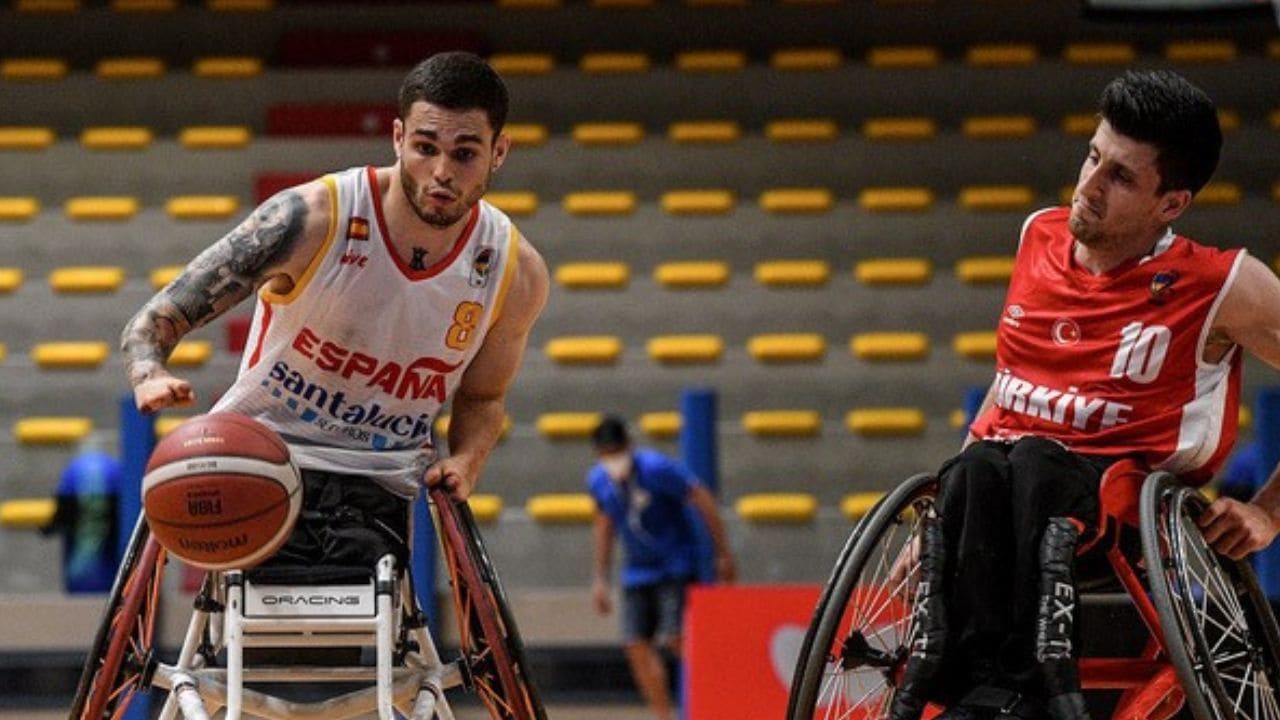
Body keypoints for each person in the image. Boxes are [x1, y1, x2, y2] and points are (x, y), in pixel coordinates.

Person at [890, 69, 1280, 720]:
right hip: (1012, 484)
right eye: (1093, 157)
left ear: (1172, 203)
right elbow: (1006, 393)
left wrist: (1269, 512)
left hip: (1125, 509)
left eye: (1121, 177)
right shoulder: (1037, 236)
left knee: (1037, 463)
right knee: (973, 468)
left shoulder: (1223, 283)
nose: (1089, 186)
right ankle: (971, 684)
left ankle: (1020, 687)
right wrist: (940, 529)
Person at [120, 52, 549, 569]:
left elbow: (483, 398)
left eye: (464, 154)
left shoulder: (513, 271)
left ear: (499, 152)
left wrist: (467, 461)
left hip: (381, 480)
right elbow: (156, 319)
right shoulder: (312, 218)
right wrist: (149, 374)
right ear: (397, 138)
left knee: (365, 639)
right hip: (260, 456)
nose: (440, 172)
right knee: (260, 643)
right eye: (424, 147)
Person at [587, 415, 736, 720]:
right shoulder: (599, 481)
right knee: (635, 644)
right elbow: (604, 525)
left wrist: (721, 552)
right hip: (638, 570)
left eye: (616, 452)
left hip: (676, 564)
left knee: (676, 638)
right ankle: (663, 715)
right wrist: (600, 577)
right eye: (606, 454)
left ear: (628, 446)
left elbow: (701, 497)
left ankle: (710, 704)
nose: (612, 460)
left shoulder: (656, 469)